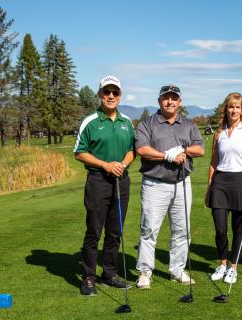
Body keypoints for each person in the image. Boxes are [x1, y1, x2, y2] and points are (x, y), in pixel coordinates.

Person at [134, 85, 204, 289]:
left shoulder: (188, 124)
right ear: (159, 101)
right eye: (166, 98)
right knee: (149, 229)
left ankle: (177, 270)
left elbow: (199, 148)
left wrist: (182, 149)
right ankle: (145, 272)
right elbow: (142, 149)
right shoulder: (148, 124)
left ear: (180, 102)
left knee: (182, 230)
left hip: (182, 183)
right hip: (155, 184)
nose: (170, 102)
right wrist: (166, 155)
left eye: (174, 98)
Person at [73, 75, 136, 296]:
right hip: (98, 181)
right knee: (94, 231)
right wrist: (105, 165)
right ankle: (89, 277)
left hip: (121, 180)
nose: (111, 96)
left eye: (115, 92)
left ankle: (109, 274)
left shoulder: (126, 122)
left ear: (120, 96)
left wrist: (122, 164)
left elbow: (132, 150)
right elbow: (79, 153)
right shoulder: (90, 121)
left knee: (115, 231)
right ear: (100, 95)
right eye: (106, 92)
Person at [206, 92, 242, 284]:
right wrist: (209, 186)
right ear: (225, 109)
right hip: (220, 182)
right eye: (230, 106)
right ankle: (222, 264)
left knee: (238, 229)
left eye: (237, 107)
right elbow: (213, 161)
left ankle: (233, 268)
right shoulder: (219, 133)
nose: (234, 110)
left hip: (241, 182)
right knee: (220, 229)